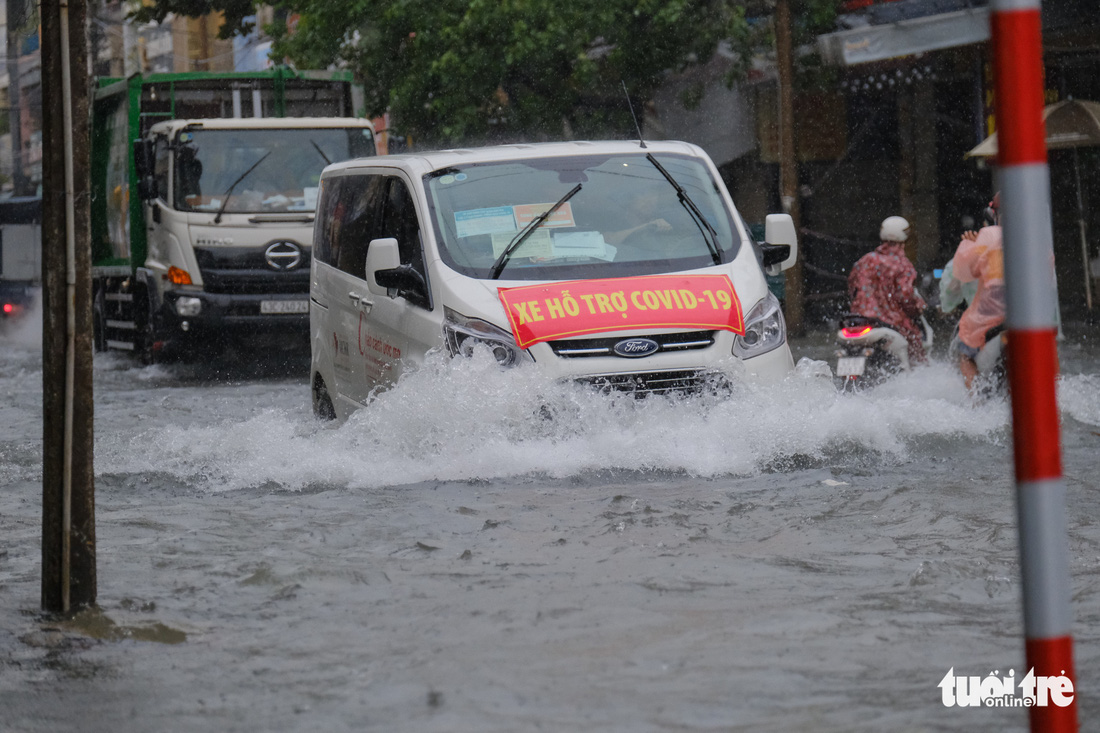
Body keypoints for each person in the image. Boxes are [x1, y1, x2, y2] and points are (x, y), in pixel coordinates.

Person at [847, 215, 928, 364]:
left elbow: (852, 287)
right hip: (889, 321)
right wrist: (916, 309)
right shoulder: (903, 265)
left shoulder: (865, 260)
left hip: (859, 319)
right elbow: (906, 296)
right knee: (915, 340)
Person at [948, 192, 1005, 390]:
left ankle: (977, 404)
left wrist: (969, 245)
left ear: (993, 214)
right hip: (1029, 317)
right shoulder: (1038, 236)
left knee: (965, 353)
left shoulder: (989, 235)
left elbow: (963, 272)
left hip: (991, 316)